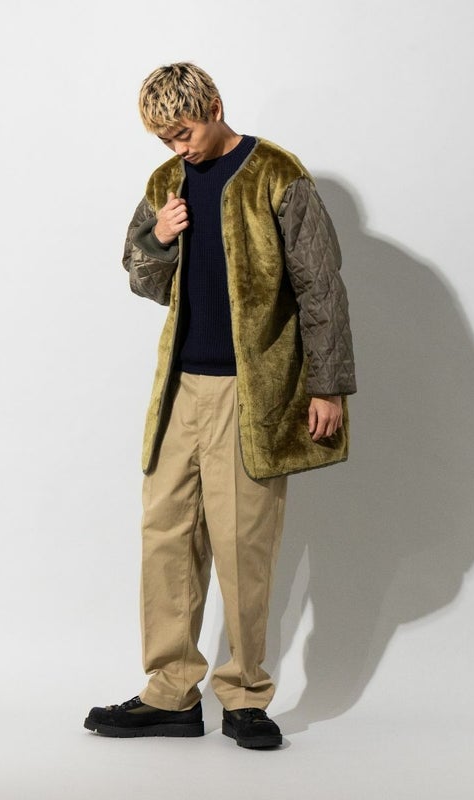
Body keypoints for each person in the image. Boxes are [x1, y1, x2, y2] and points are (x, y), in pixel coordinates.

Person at [84, 62, 356, 749]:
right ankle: (170, 693)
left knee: (243, 545)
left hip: (251, 391)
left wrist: (327, 385)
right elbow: (144, 280)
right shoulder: (165, 183)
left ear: (214, 105)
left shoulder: (278, 175)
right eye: (165, 139)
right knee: (166, 536)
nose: (178, 147)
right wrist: (159, 238)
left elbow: (321, 286)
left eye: (185, 132)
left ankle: (244, 696)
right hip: (179, 388)